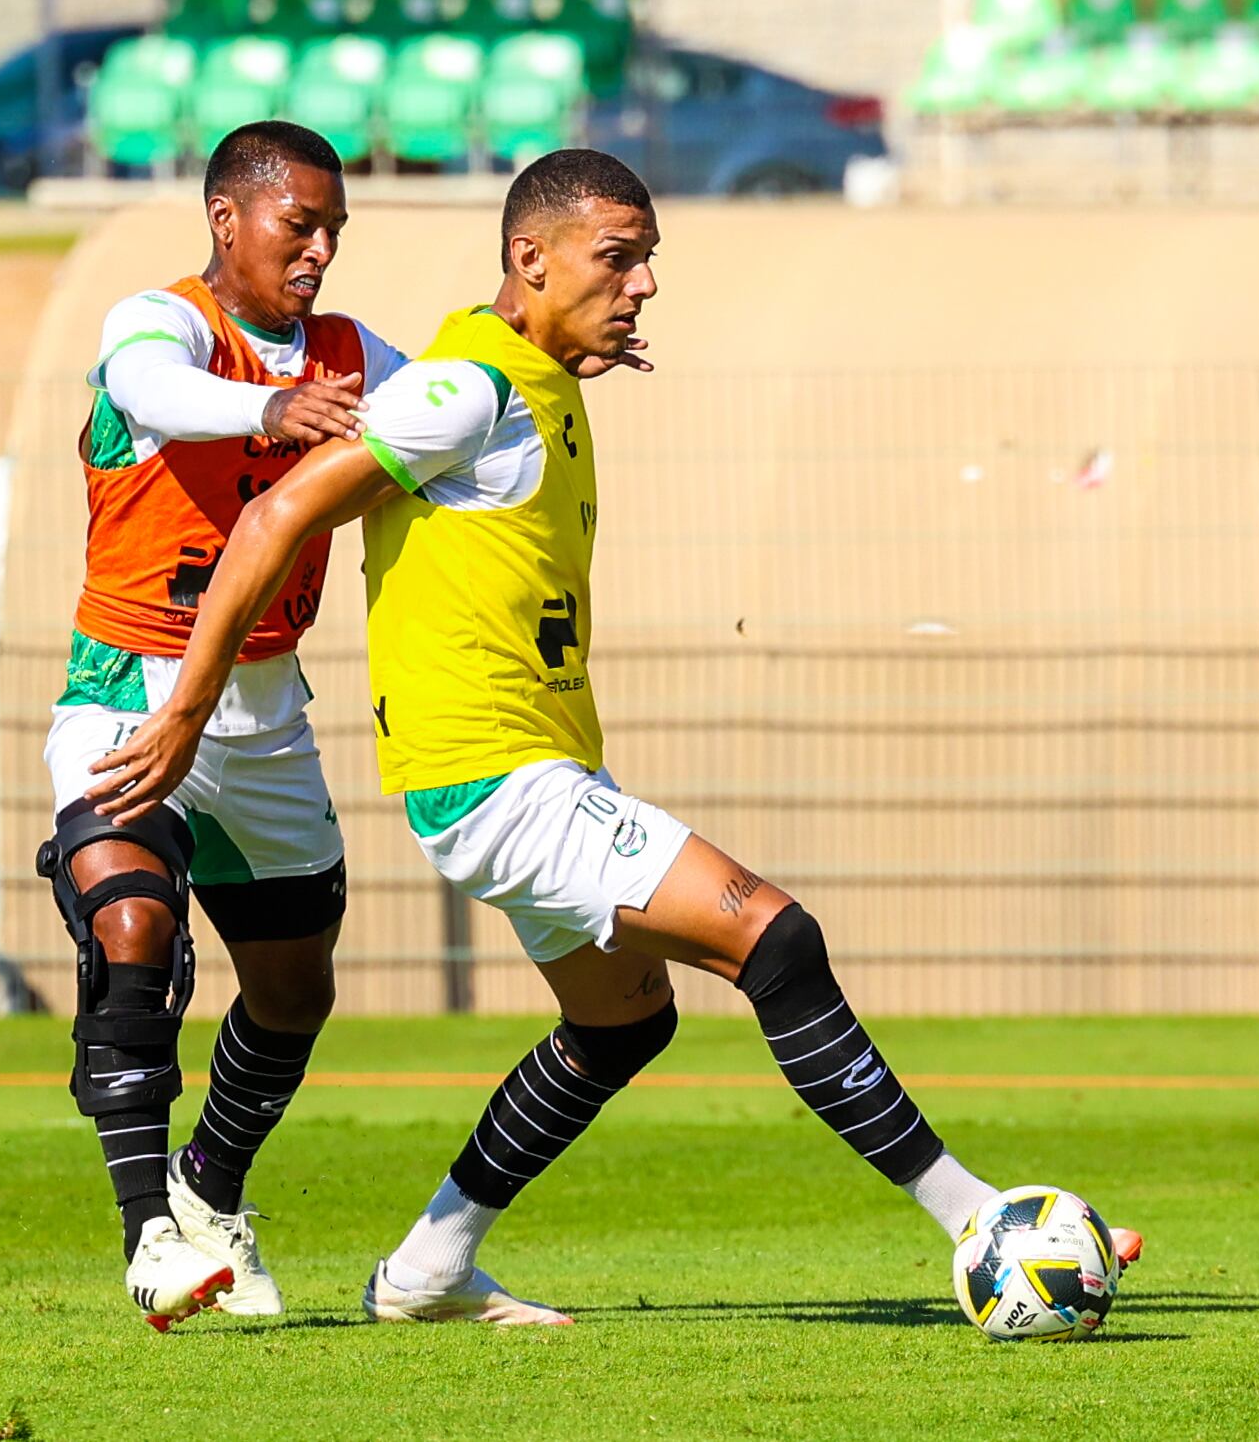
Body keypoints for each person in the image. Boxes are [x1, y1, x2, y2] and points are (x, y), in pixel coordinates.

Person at [86, 148, 1142, 1326]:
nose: (642, 285)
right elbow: (279, 509)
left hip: (537, 767)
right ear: (530, 259)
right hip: (496, 780)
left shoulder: (519, 377)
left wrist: (567, 345)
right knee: (776, 942)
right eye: (619, 258)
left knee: (621, 1022)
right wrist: (185, 704)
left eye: (647, 261)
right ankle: (978, 1221)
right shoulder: (466, 389)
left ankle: (430, 1267)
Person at [34, 120, 409, 1330]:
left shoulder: (352, 354)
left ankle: (210, 1194)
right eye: (300, 223)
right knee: (132, 926)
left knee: (296, 994)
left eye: (334, 230)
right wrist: (269, 412)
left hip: (266, 721)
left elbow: (463, 409)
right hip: (127, 694)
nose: (319, 250)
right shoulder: (166, 324)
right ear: (226, 220)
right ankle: (148, 1232)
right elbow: (149, 388)